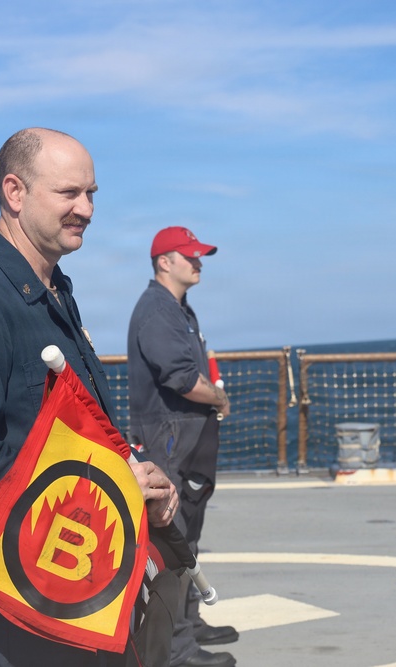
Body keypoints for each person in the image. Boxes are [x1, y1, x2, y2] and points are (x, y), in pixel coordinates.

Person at [0, 128, 179, 667]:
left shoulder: (54, 290)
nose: (86, 208)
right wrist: (106, 489)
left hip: (76, 589)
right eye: (69, 194)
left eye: (92, 194)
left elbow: (70, 430)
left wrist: (131, 474)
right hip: (15, 608)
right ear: (15, 192)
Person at [126, 227, 238, 667]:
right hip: (170, 438)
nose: (199, 262)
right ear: (164, 262)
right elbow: (181, 378)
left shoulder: (178, 309)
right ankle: (178, 651)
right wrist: (220, 397)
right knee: (173, 544)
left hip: (186, 437)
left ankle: (189, 625)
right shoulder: (158, 310)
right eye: (190, 256)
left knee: (189, 535)